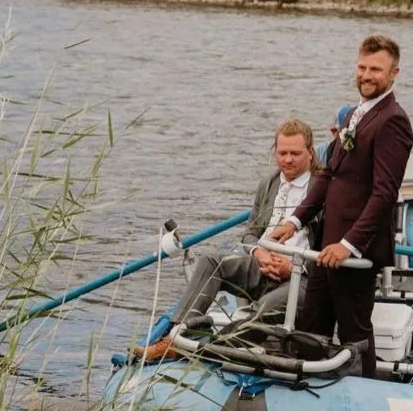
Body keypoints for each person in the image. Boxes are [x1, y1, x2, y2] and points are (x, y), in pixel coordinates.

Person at [269, 35, 413, 378]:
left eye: (375, 69)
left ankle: (367, 392)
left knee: (355, 331)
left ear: (394, 73)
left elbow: (384, 194)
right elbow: (329, 175)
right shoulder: (355, 115)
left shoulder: (393, 121)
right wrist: (294, 221)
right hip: (324, 247)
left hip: (354, 253)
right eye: (362, 67)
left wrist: (349, 245)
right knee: (311, 324)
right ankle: (306, 386)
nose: (366, 75)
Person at [135, 118, 318, 361]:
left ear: (311, 153)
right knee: (210, 262)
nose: (288, 159)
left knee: (265, 308)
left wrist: (294, 266)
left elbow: (330, 250)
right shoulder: (269, 184)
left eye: (295, 153)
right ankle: (178, 336)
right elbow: (250, 232)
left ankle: (212, 349)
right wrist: (259, 253)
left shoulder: (323, 188)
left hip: (300, 276)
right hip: (261, 265)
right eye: (282, 153)